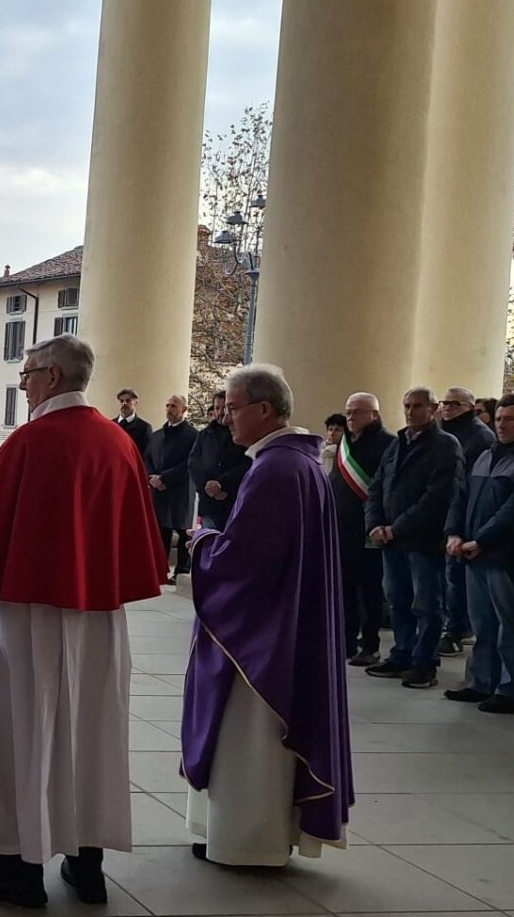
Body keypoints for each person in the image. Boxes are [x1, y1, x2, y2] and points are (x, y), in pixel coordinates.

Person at [0, 335, 164, 908]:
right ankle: (85, 864)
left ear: (51, 376)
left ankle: (18, 868)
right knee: (91, 733)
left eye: (26, 372)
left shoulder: (32, 440)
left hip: (29, 614)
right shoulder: (118, 441)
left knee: (21, 727)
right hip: (98, 615)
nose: (21, 383)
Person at [181, 364, 352, 867]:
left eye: (233, 408)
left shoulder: (276, 469)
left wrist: (205, 542)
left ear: (263, 409)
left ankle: (246, 841)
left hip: (260, 640)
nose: (225, 418)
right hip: (279, 622)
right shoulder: (293, 462)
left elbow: (246, 560)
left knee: (249, 743)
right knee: (251, 745)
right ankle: (234, 833)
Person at [442, 394, 514, 713]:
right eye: (500, 418)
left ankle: (510, 690)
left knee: (511, 625)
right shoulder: (486, 455)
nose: (502, 424)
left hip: (507, 556)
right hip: (473, 553)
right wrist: (454, 532)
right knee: (482, 625)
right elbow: (460, 496)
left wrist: (482, 540)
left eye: (511, 419)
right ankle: (480, 682)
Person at [365, 388, 463, 690]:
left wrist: (398, 527)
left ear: (433, 408)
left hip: (423, 541)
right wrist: (375, 523)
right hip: (390, 540)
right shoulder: (397, 444)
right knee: (398, 601)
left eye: (417, 406)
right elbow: (378, 485)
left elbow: (437, 496)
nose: (410, 412)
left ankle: (424, 662)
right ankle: (402, 653)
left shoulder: (445, 445)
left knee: (426, 604)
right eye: (406, 405)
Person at [333, 393, 394, 667]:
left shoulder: (387, 444)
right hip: (341, 527)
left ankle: (370, 644)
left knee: (369, 590)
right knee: (344, 587)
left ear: (374, 415)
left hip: (368, 528)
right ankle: (345, 641)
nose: (351, 417)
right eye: (348, 412)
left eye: (357, 412)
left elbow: (384, 487)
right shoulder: (345, 443)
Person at [437, 386, 494, 654]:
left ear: (470, 407)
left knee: (456, 577)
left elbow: (467, 483)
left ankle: (457, 628)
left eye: (454, 404)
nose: (447, 408)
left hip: (463, 515)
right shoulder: (441, 431)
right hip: (442, 513)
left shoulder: (479, 437)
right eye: (444, 403)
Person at [146, 394, 198, 584]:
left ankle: (181, 571)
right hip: (158, 489)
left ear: (184, 409)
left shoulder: (193, 435)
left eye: (174, 406)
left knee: (182, 529)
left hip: (180, 489)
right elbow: (148, 458)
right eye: (167, 405)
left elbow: (190, 462)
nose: (169, 409)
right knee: (161, 531)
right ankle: (160, 570)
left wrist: (165, 477)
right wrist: (152, 477)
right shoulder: (157, 435)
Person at [188, 390, 250, 530]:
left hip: (232, 500)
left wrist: (222, 484)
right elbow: (194, 463)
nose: (221, 412)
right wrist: (207, 486)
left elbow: (247, 464)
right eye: (217, 408)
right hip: (209, 503)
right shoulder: (204, 435)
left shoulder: (242, 435)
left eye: (225, 408)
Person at [114, 387, 151, 456]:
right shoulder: (111, 425)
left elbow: (145, 455)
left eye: (128, 401)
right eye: (121, 401)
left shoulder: (144, 427)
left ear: (136, 402)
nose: (124, 403)